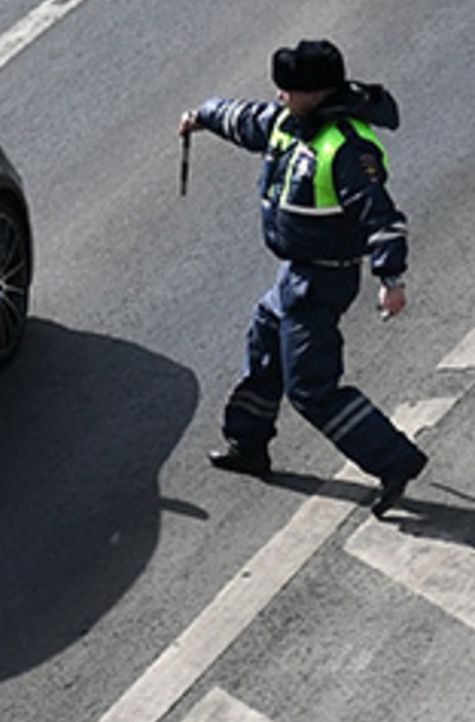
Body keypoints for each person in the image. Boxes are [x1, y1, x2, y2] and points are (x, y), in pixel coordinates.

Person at [178, 38, 427, 517]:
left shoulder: (349, 150)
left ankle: (395, 461)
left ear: (315, 92)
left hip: (322, 281)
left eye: (288, 90)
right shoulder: (286, 123)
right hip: (294, 275)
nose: (279, 97)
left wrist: (391, 280)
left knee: (312, 388)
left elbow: (382, 218)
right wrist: (202, 116)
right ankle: (248, 444)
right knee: (265, 348)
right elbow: (243, 118)